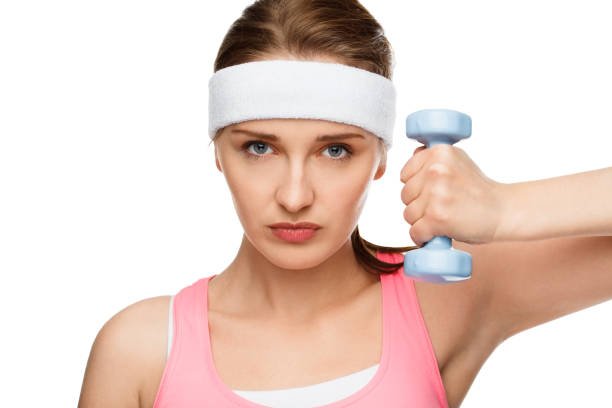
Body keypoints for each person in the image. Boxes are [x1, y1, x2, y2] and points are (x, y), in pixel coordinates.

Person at [78, 1, 612, 407]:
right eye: (258, 147)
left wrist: (504, 209)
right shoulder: (140, 350)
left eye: (335, 150)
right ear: (218, 150)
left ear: (381, 156)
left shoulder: (444, 303)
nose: (293, 196)